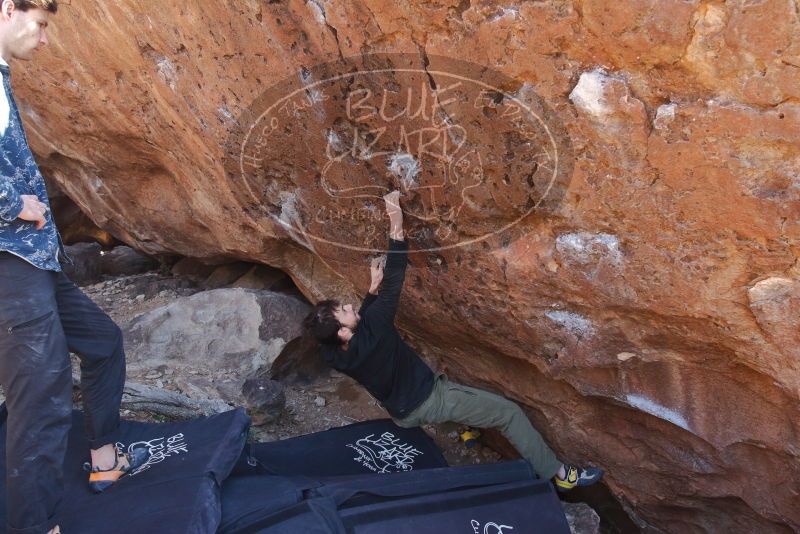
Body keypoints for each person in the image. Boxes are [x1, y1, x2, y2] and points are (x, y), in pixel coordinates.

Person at [304, 191, 603, 492]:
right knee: (508, 413)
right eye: (345, 311)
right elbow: (394, 277)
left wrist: (371, 291)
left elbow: (364, 328)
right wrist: (395, 220)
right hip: (428, 400)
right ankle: (560, 475)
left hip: (400, 411)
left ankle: (464, 432)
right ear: (343, 333)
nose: (350, 306)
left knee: (431, 377)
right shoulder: (374, 328)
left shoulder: (332, 353)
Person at [0, 2, 147, 533]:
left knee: (103, 342)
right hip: (9, 266)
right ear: (7, 8)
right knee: (41, 403)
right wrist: (12, 204)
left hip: (34, 261)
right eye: (40, 24)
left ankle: (104, 459)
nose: (45, 40)